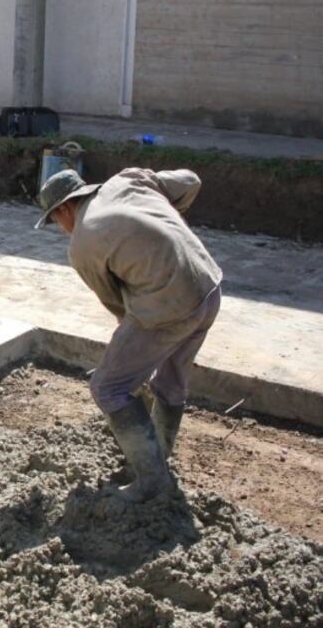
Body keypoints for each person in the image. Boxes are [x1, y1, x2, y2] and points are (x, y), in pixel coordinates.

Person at [35, 168, 223, 502]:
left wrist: (129, 359)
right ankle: (158, 458)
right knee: (170, 380)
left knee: (107, 387)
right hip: (208, 287)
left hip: (169, 305)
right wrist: (163, 228)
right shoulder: (128, 180)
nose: (62, 230)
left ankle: (152, 482)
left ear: (64, 208)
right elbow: (192, 180)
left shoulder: (83, 244)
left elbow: (120, 307)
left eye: (56, 221)